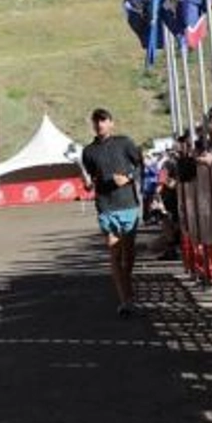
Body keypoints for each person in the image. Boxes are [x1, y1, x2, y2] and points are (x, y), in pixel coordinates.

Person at [80, 109, 144, 317]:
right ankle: (125, 299)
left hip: (128, 204)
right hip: (106, 206)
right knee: (115, 253)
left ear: (111, 123)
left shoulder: (125, 143)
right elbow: (91, 179)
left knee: (129, 252)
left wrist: (128, 177)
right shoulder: (88, 151)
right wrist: (88, 184)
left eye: (103, 120)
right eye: (96, 121)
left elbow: (140, 165)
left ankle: (127, 285)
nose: (100, 125)